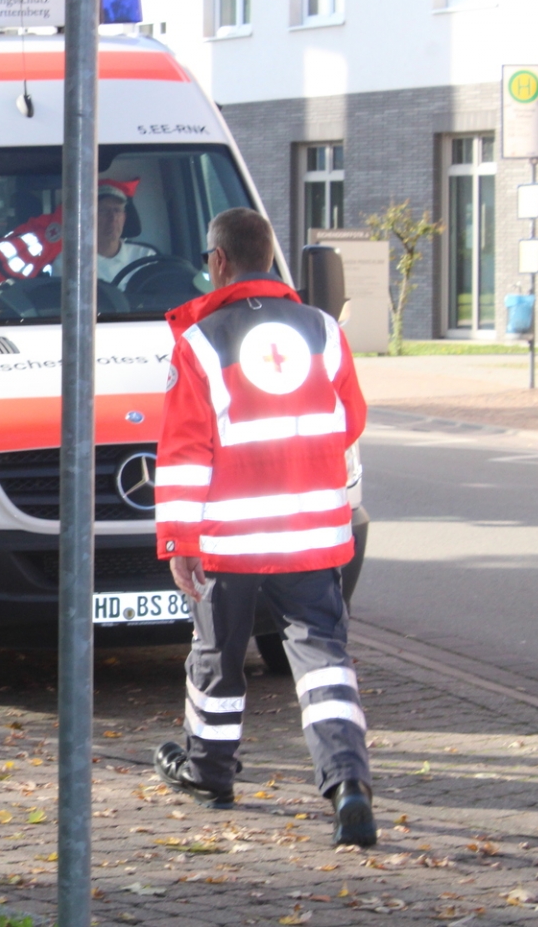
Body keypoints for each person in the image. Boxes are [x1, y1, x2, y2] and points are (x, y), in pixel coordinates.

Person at [151, 207, 375, 848]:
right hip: (310, 535)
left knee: (219, 660)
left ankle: (210, 773)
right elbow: (349, 420)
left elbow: (186, 453)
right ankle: (348, 785)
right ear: (271, 254)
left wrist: (180, 542)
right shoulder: (323, 331)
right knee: (323, 664)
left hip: (231, 542)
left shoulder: (200, 341)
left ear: (218, 260)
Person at [0, 179, 148, 284]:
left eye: (117, 211)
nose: (112, 218)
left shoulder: (146, 256)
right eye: (103, 211)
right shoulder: (67, 260)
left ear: (125, 217)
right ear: (87, 218)